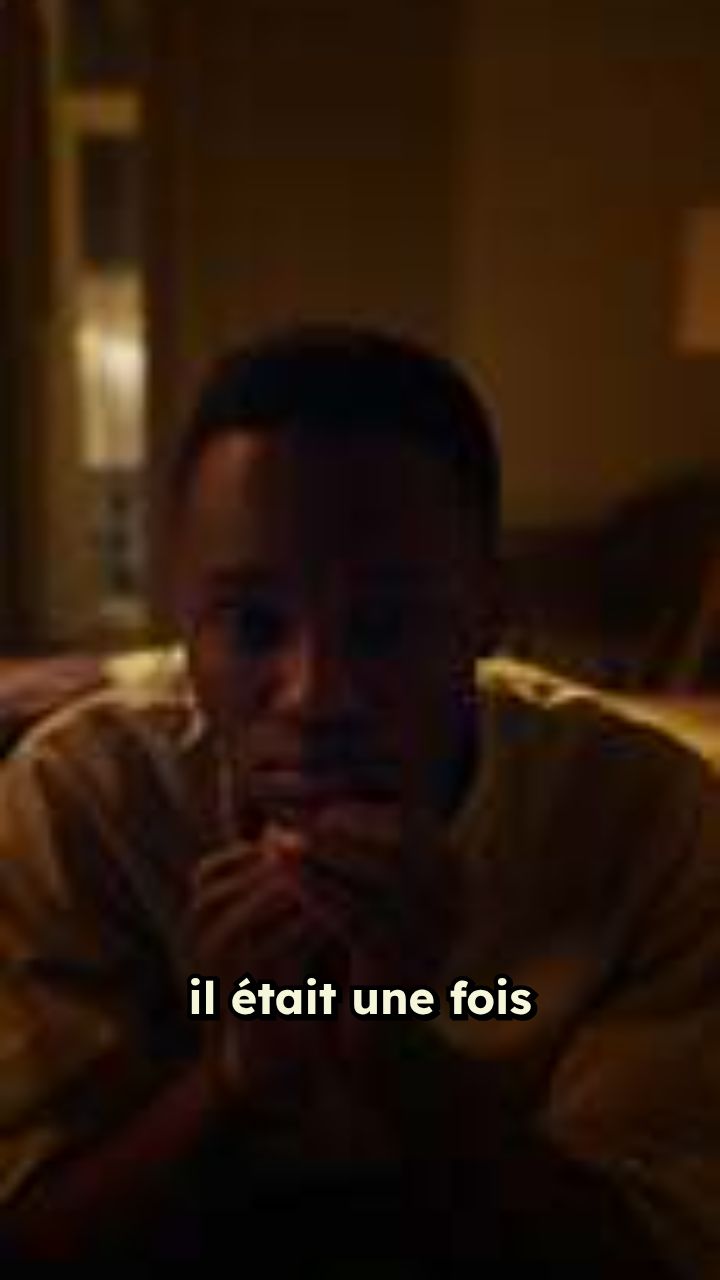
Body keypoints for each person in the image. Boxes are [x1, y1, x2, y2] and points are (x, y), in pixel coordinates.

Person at [0, 326, 718, 1268]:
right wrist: (234, 1073)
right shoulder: (82, 803)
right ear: (183, 619)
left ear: (491, 612)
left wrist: (394, 1042)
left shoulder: (652, 819)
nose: (317, 697)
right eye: (253, 626)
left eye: (387, 624)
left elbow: (658, 1247)